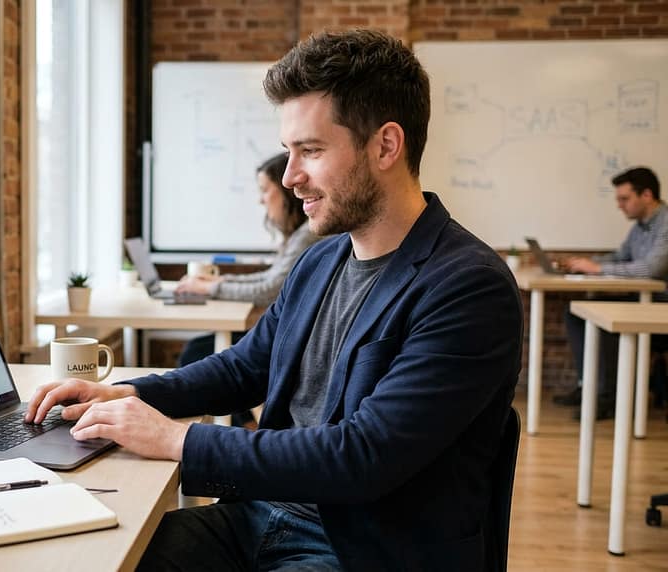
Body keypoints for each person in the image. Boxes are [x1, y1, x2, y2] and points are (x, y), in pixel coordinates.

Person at [26, 30, 522, 570]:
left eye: (310, 151)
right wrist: (120, 394)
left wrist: (176, 440)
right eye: (290, 152)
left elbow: (363, 455)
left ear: (385, 145)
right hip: (262, 514)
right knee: (103, 559)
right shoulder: (320, 260)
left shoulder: (468, 286)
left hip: (364, 548)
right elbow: (246, 367)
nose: (290, 178)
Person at [175, 151, 322, 368]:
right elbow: (270, 278)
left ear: (286, 192)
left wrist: (212, 288)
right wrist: (217, 283)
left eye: (264, 190)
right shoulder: (298, 236)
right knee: (197, 348)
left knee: (195, 351)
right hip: (287, 335)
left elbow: (270, 289)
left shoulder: (306, 236)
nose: (260, 200)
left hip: (290, 342)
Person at [556, 167, 668, 418]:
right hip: (643, 299)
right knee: (578, 313)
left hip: (661, 306)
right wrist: (583, 263)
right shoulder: (640, 226)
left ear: (647, 195)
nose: (619, 205)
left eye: (625, 199)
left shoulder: (666, 223)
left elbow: (652, 269)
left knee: (602, 318)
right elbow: (621, 257)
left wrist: (596, 268)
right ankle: (590, 387)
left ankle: (608, 396)